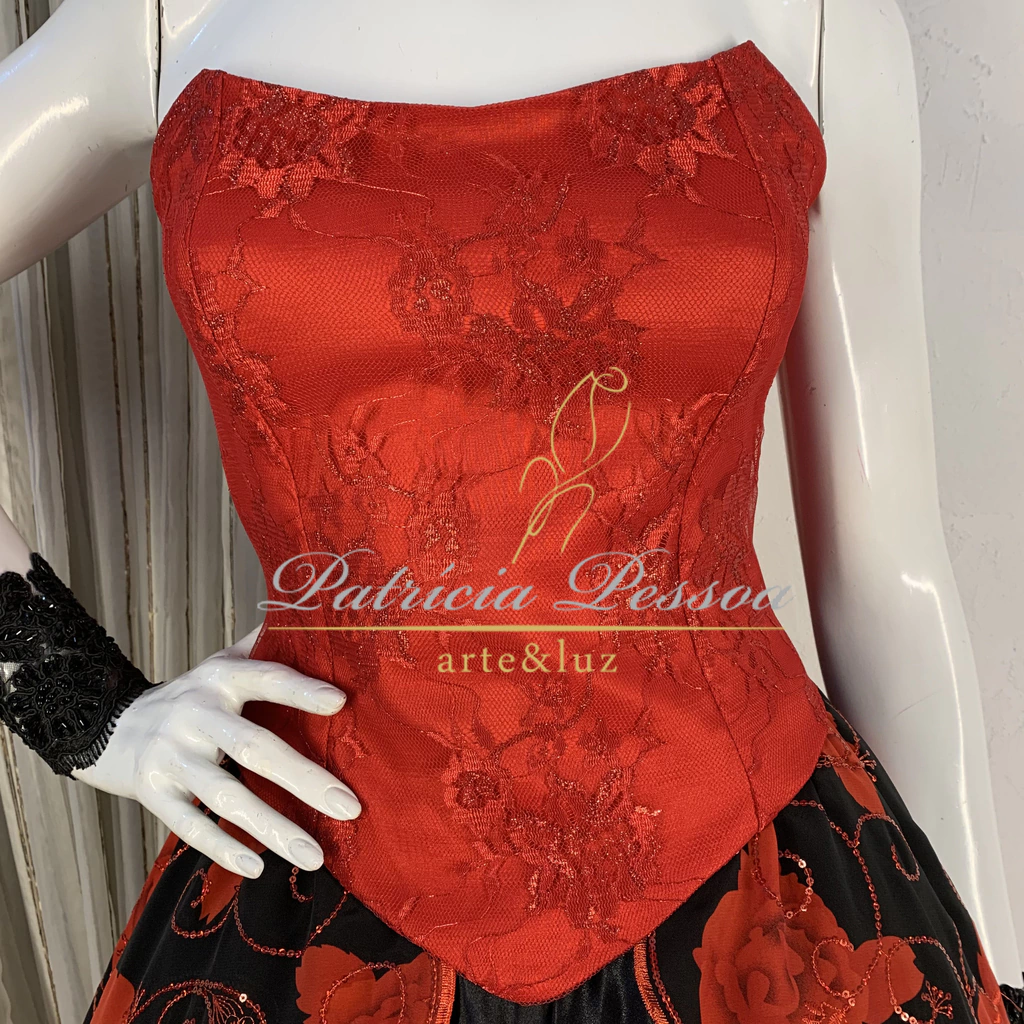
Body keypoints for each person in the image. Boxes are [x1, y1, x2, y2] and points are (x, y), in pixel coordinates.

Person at [0, 0, 1021, 1020]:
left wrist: (999, 975)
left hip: (749, 866)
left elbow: (889, 575)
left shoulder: (814, 19)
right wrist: (89, 709)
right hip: (318, 872)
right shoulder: (167, 16)